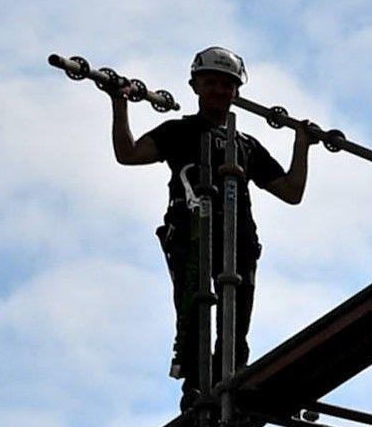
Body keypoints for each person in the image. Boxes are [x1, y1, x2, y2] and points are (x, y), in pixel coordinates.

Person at [109, 46, 310, 390]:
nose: (219, 90)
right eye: (212, 82)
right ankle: (197, 391)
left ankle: (229, 384)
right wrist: (119, 104)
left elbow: (291, 192)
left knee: (236, 319)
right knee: (194, 313)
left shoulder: (246, 145)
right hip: (191, 233)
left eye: (227, 84)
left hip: (238, 239)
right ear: (196, 85)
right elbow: (127, 154)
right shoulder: (178, 131)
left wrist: (301, 146)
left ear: (236, 91)